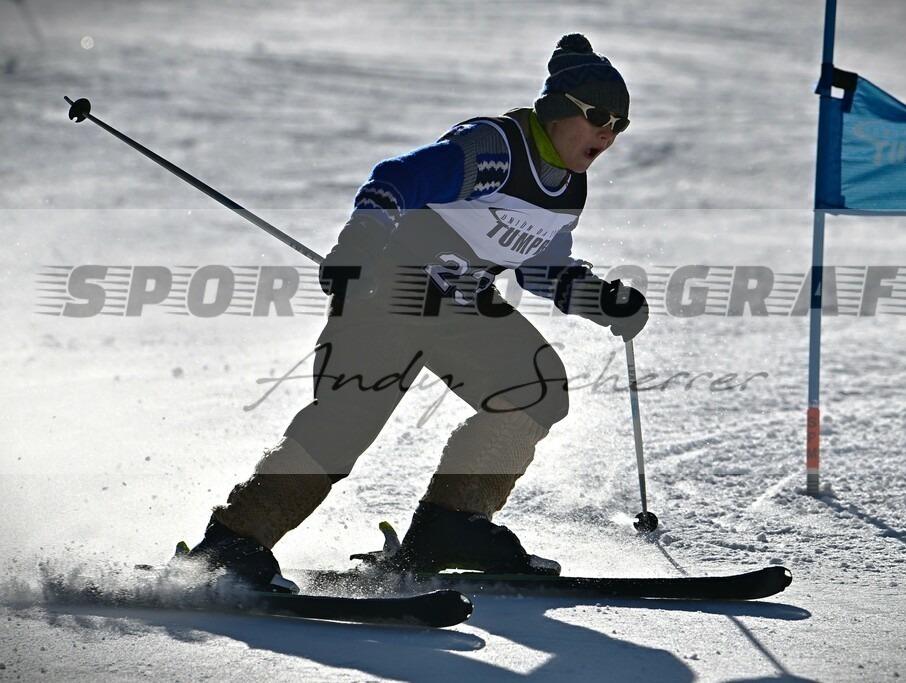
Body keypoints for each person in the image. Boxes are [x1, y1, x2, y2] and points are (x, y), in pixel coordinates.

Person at [186, 33, 649, 592]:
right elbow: (398, 178)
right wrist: (357, 247)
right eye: (598, 116)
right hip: (390, 291)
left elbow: (540, 268)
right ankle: (233, 544)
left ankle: (452, 526)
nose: (608, 132)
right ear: (557, 110)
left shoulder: (568, 188)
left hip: (461, 304)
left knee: (535, 389)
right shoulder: (494, 149)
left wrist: (603, 300)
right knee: (345, 422)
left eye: (619, 125)